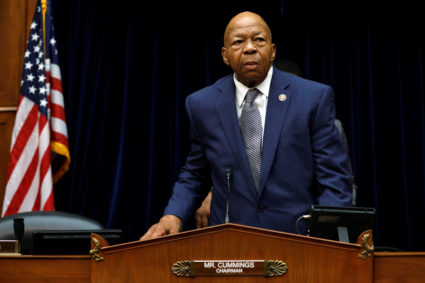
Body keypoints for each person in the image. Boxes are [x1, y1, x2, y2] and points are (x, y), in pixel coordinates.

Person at [140, 11, 352, 240]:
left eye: (259, 40)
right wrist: (173, 215)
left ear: (272, 51)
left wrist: (330, 240)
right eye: (238, 42)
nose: (249, 48)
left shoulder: (312, 98)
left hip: (298, 241)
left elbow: (334, 180)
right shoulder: (202, 104)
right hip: (231, 243)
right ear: (225, 55)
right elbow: (195, 173)